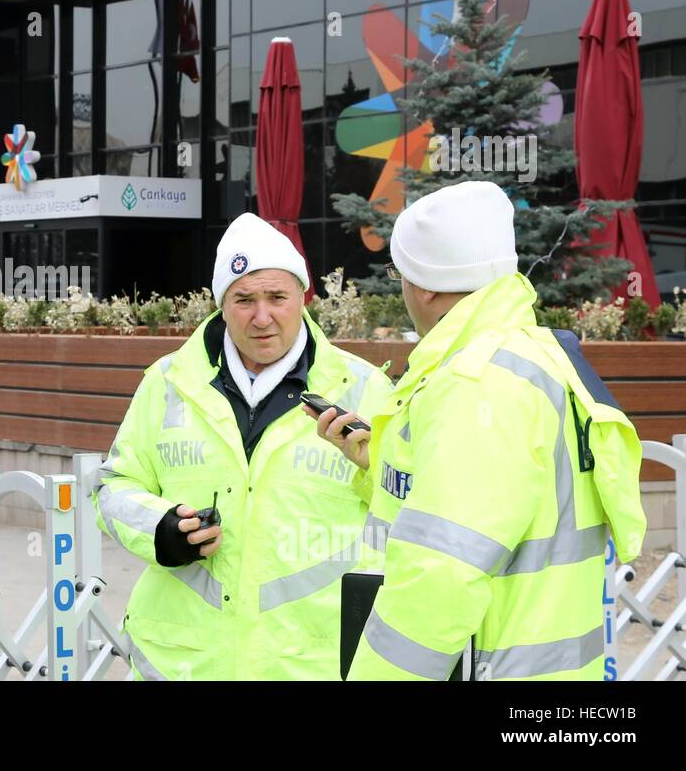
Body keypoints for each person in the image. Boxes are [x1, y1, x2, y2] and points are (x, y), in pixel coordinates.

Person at [312, 181, 646, 681]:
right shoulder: (533, 356)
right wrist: (374, 465)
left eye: (396, 272)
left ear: (424, 285)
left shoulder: (476, 384)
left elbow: (441, 575)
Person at [94, 213, 392, 680]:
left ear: (302, 296)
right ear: (221, 304)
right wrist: (161, 530)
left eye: (277, 297)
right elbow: (113, 486)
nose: (262, 317)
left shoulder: (365, 388)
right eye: (244, 300)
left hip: (308, 665)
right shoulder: (167, 381)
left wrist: (372, 468)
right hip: (183, 665)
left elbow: (413, 508)